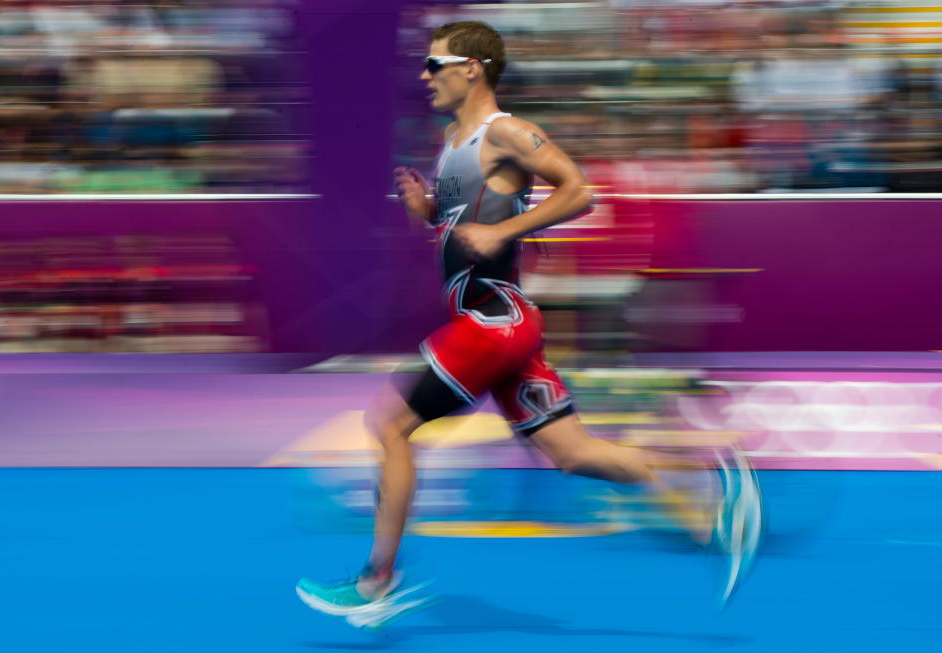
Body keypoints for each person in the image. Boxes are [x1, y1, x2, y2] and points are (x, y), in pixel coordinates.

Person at [296, 21, 759, 630]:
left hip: (494, 321)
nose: (423, 76)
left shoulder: (506, 132)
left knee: (388, 423)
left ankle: (376, 582)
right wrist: (427, 211)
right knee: (573, 454)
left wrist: (503, 232)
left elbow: (579, 192)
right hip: (499, 323)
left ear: (473, 69)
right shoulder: (455, 138)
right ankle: (711, 507)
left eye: (434, 65)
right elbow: (463, 224)